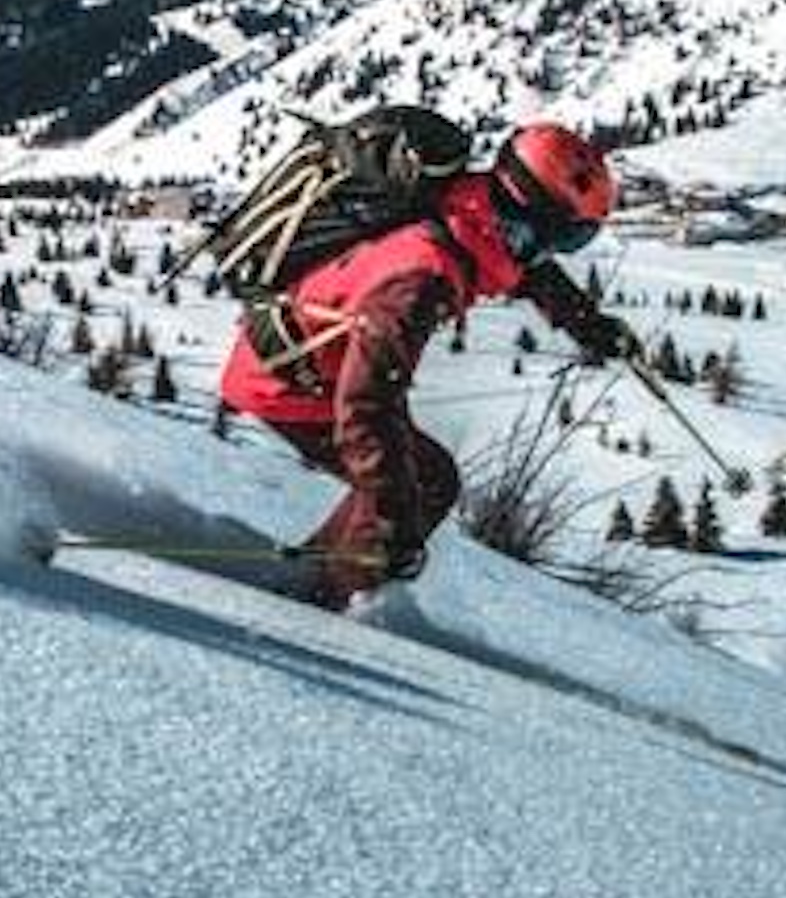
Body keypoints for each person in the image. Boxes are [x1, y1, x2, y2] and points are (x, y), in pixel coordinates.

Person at [217, 121, 636, 607]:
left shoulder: (466, 208)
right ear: (531, 219)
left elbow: (528, 272)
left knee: (423, 479)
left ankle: (318, 571)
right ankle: (316, 602)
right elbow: (368, 405)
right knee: (423, 482)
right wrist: (394, 524)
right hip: (289, 382)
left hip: (304, 363)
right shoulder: (421, 280)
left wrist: (588, 323)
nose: (554, 252)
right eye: (566, 239)